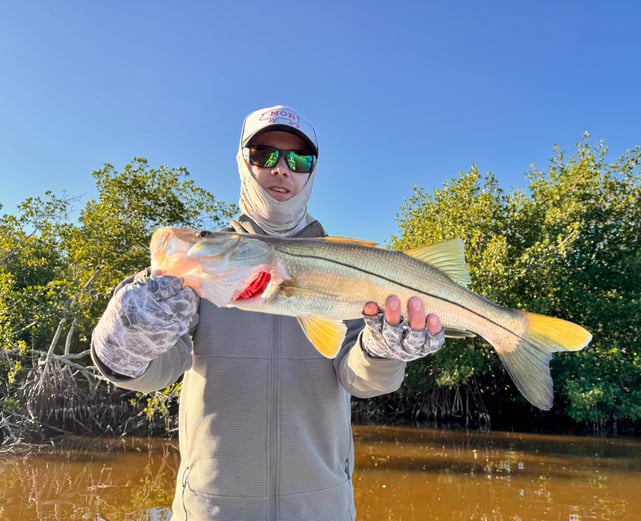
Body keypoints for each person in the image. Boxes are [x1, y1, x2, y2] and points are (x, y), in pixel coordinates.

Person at [91, 105, 446, 521]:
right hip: (213, 510)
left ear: (312, 172)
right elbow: (156, 371)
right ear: (244, 162)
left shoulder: (346, 266)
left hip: (322, 509)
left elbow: (359, 379)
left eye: (298, 159)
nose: (282, 170)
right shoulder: (204, 274)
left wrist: (383, 350)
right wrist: (122, 345)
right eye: (265, 154)